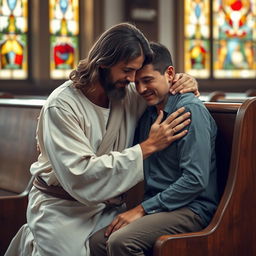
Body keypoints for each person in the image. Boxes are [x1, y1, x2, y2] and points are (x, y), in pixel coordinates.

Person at [5, 24, 198, 256]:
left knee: (114, 244)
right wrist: (148, 147)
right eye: (127, 69)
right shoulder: (62, 106)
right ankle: (36, 238)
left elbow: (160, 89)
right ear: (103, 62)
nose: (132, 78)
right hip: (61, 209)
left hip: (108, 207)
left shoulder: (125, 94)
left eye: (136, 71)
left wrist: (186, 81)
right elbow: (81, 175)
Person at [89, 42, 219, 256]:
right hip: (158, 205)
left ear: (169, 74)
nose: (141, 89)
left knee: (121, 242)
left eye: (148, 80)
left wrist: (141, 210)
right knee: (97, 242)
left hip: (191, 209)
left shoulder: (190, 111)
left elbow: (195, 180)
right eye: (137, 82)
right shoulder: (149, 112)